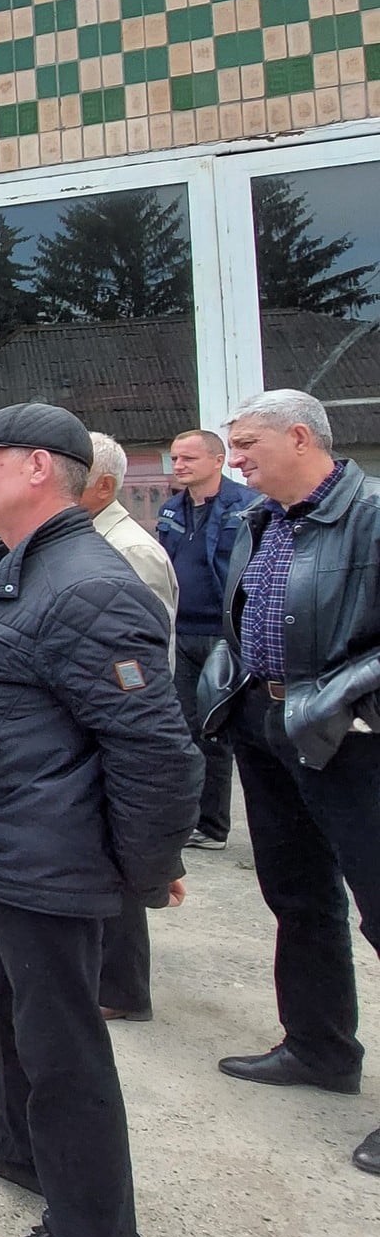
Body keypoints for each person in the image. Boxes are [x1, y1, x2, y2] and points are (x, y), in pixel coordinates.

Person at [0, 404, 200, 1237]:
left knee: (64, 1047)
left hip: (48, 855)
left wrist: (144, 872)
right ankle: (16, 1139)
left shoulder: (88, 584)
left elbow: (154, 747)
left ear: (40, 466)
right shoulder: (9, 562)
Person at [205, 391, 380, 1176]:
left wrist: (338, 700)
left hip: (349, 740)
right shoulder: (263, 521)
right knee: (298, 896)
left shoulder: (370, 515)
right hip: (268, 729)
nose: (235, 459)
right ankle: (318, 1047)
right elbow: (243, 619)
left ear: (300, 436)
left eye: (245, 444)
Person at [81, 431, 181, 1023]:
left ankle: (120, 989)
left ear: (104, 486)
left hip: (123, 725)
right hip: (103, 720)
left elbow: (144, 663)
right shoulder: (95, 539)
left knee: (120, 853)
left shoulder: (130, 549)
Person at [155, 427, 255, 851]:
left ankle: (213, 826)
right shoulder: (171, 510)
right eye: (175, 459)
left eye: (188, 459)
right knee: (184, 729)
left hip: (222, 635)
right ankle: (189, 819)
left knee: (217, 731)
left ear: (217, 460)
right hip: (182, 633)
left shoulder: (246, 507)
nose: (179, 466)